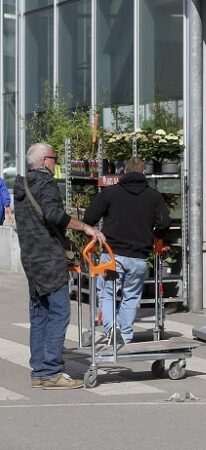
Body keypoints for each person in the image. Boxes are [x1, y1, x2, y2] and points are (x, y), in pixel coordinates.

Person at [14, 143, 105, 389]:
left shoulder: (22, 186)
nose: (56, 164)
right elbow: (53, 215)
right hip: (49, 259)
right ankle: (52, 371)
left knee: (39, 314)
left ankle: (40, 372)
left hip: (31, 258)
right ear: (45, 161)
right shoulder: (46, 184)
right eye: (54, 159)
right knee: (59, 313)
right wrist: (85, 227)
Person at [83, 157, 171, 345]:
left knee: (108, 293)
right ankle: (126, 336)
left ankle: (111, 328)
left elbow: (89, 217)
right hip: (138, 257)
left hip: (112, 256)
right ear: (143, 172)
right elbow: (164, 223)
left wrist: (91, 232)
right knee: (131, 296)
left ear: (123, 171)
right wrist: (156, 234)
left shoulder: (111, 193)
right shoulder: (154, 196)